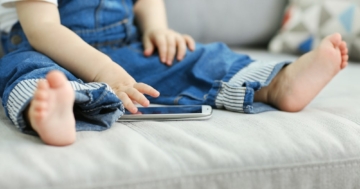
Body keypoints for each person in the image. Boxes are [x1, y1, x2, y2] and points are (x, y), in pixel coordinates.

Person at [0, 0, 349, 146]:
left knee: (194, 56)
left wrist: (158, 30)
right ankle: (51, 108)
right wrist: (108, 72)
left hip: (124, 50)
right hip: (45, 47)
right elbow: (43, 29)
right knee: (29, 68)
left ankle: (276, 84)